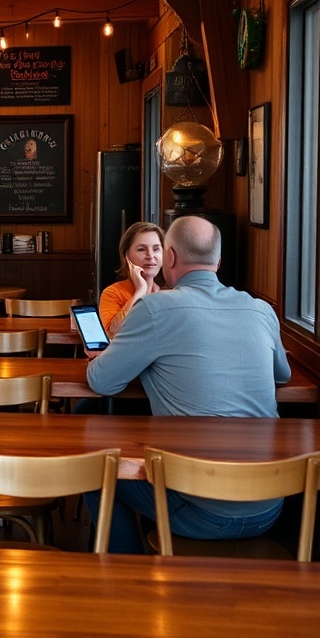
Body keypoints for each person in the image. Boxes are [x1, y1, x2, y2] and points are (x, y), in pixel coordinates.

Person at [84, 215, 290, 554]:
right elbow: (282, 375)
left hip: (200, 513)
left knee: (93, 468)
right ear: (218, 262)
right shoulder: (260, 310)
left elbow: (101, 381)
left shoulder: (155, 308)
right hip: (270, 506)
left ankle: (125, 575)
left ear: (170, 258)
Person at [99, 221, 165, 338]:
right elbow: (112, 333)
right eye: (141, 249)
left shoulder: (172, 292)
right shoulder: (112, 293)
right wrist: (140, 291)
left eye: (156, 249)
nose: (150, 255)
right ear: (127, 256)